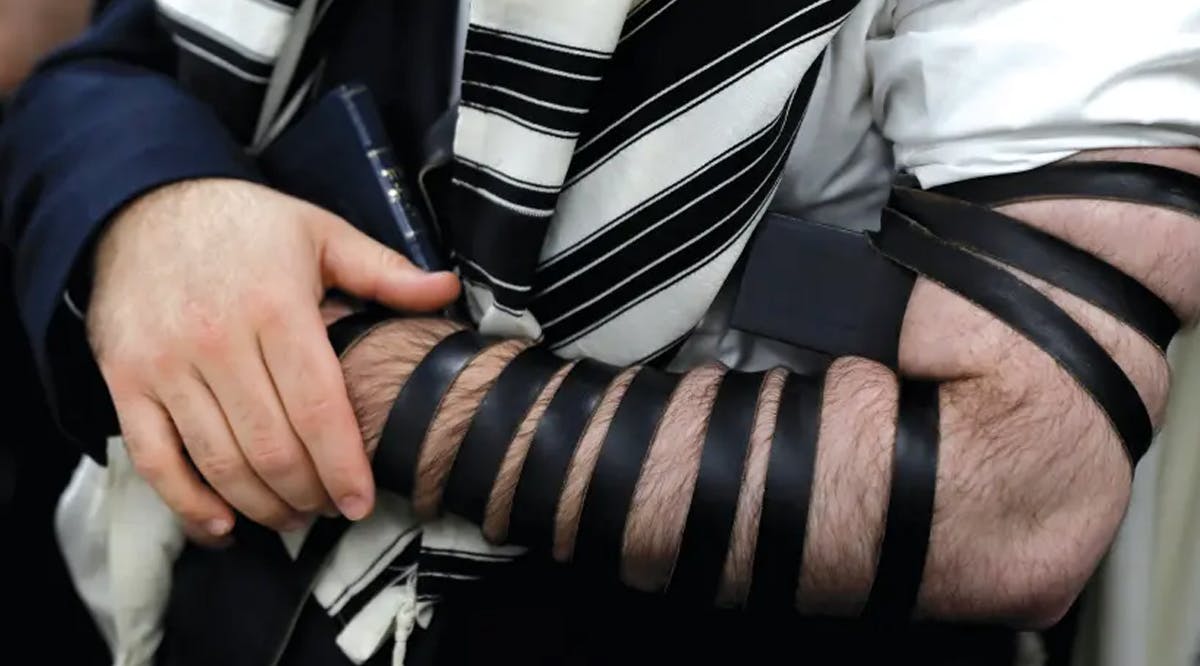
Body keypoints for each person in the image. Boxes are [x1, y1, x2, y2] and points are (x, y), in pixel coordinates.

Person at [3, 1, 1200, 665]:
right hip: (195, 611)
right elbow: (110, 66)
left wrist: (334, 368)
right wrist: (147, 214)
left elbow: (1020, 493)